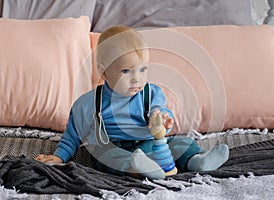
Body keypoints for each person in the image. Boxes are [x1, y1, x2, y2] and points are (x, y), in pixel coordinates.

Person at [35, 25, 229, 180]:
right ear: (104, 72)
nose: (137, 79)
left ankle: (198, 161)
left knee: (180, 143)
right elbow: (72, 136)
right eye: (126, 71)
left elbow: (160, 113)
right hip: (113, 147)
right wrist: (59, 156)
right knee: (109, 158)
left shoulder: (151, 93)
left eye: (142, 69)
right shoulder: (87, 104)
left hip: (149, 143)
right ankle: (141, 169)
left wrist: (163, 119)